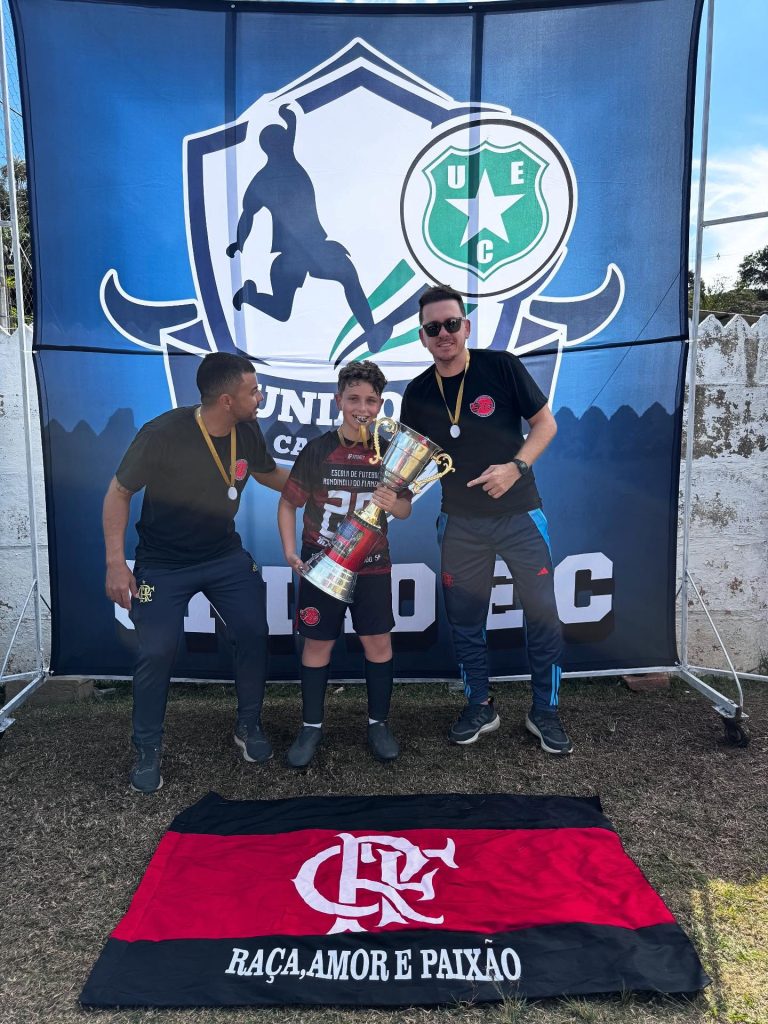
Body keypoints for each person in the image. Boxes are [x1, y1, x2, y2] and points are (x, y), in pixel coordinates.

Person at [103, 352, 288, 793]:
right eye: (254, 392)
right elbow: (119, 491)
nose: (260, 398)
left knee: (252, 630)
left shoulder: (247, 429)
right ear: (227, 400)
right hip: (163, 562)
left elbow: (267, 474)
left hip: (223, 555)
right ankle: (147, 748)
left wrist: (322, 486)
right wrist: (115, 563)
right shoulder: (162, 433)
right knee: (157, 651)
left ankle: (248, 726)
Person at [400, 284, 571, 754]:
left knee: (542, 615)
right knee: (465, 621)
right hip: (460, 523)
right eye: (433, 327)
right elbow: (408, 464)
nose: (444, 333)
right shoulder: (417, 392)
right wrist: (387, 490)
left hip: (520, 515)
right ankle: (480, 705)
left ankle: (545, 711)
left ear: (466, 327)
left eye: (451, 324)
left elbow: (546, 424)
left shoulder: (502, 366)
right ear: (422, 336)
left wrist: (516, 467)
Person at [277, 361, 411, 768]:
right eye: (354, 398)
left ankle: (378, 724)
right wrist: (289, 550)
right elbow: (288, 503)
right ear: (339, 401)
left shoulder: (390, 452)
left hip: (372, 564)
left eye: (370, 400)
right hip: (323, 563)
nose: (362, 407)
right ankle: (311, 726)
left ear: (381, 405)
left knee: (378, 642)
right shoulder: (318, 449)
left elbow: (404, 510)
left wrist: (395, 503)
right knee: (317, 644)